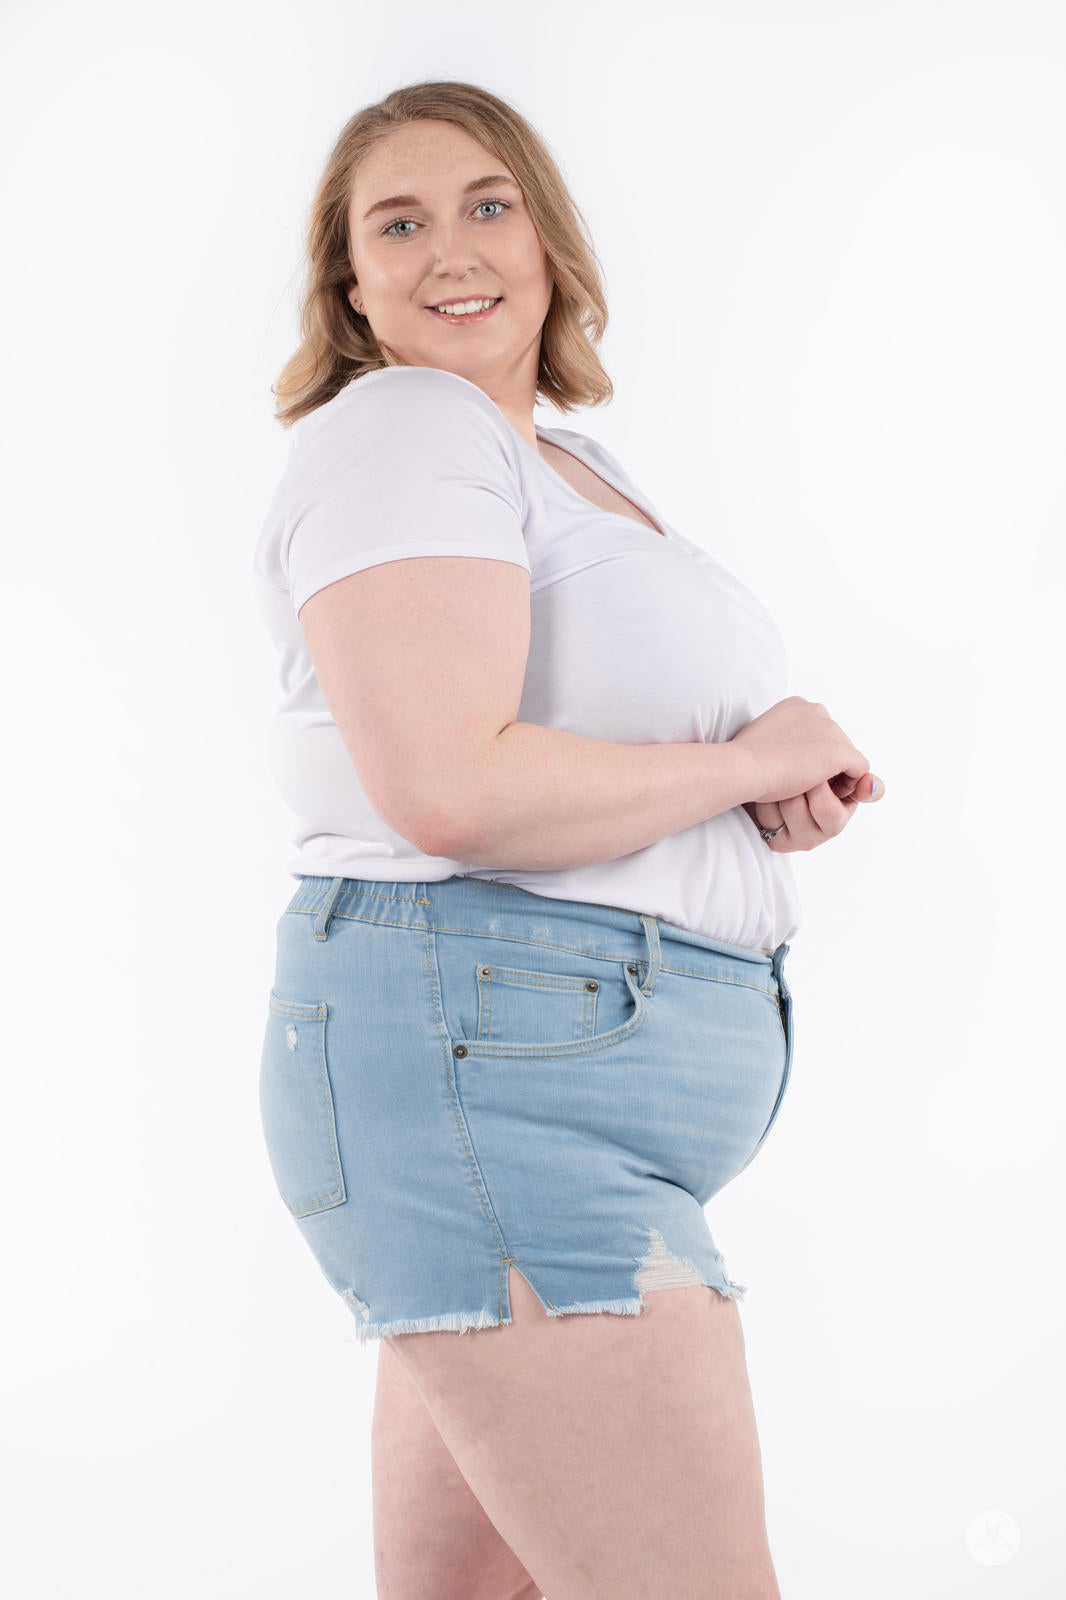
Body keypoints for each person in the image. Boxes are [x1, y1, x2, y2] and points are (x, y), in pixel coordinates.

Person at [251, 78, 884, 1600]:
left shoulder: (566, 462)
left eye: (489, 204)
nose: (452, 249)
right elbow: (448, 789)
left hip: (525, 1075)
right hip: (502, 1089)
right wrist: (742, 761)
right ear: (350, 286)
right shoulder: (408, 424)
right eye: (397, 225)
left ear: (547, 235)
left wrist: (748, 788)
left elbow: (567, 747)